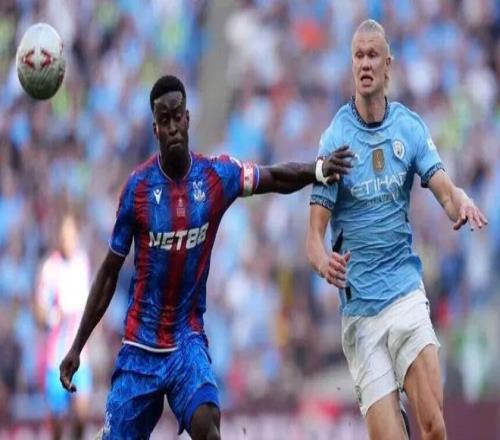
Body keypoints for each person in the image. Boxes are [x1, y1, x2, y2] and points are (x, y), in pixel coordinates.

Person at [59, 74, 354, 440]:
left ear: (187, 118)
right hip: (140, 348)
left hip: (187, 339)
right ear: (155, 128)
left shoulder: (215, 177)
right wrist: (77, 346)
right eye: (163, 120)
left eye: (177, 117)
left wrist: (318, 169)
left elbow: (274, 178)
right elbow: (108, 272)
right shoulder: (137, 190)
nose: (172, 127)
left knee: (207, 423)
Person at [306, 19, 488, 440]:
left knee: (433, 427)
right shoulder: (335, 141)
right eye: (358, 56)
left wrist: (460, 202)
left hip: (405, 293)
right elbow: (313, 237)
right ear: (351, 64)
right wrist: (322, 263)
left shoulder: (409, 127)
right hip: (361, 315)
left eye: (373, 55)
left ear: (387, 65)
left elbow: (444, 190)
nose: (365, 64)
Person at [35, 214, 92, 440]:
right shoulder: (51, 268)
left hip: (80, 355)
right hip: (57, 356)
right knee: (57, 423)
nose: (68, 240)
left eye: (71, 235)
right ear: (59, 238)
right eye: (64, 235)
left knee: (81, 416)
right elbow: (39, 310)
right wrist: (54, 316)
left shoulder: (82, 263)